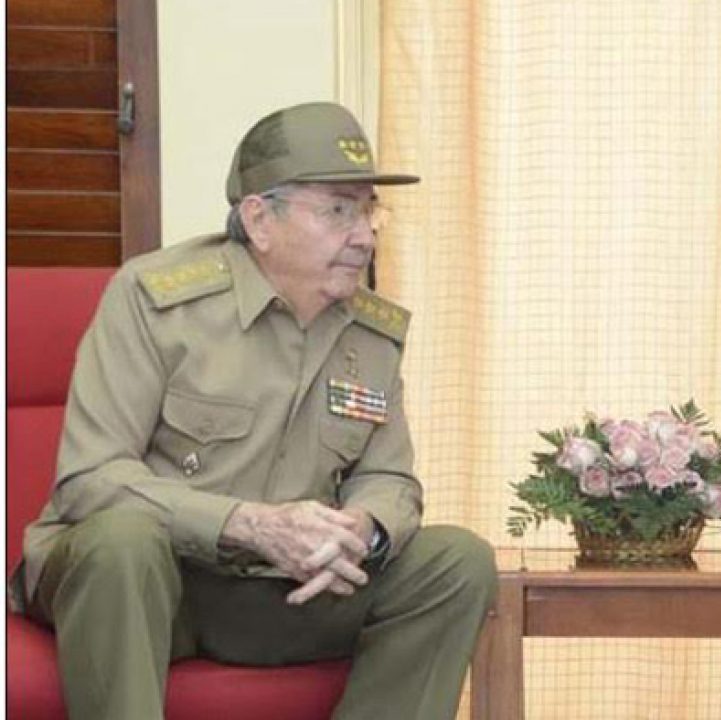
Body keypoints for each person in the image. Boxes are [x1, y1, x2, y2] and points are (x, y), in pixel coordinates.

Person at [8, 101, 498, 720]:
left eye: (368, 210)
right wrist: (249, 524)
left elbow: (390, 478)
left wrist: (364, 529)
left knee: (457, 561)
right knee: (120, 542)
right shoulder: (157, 302)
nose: (365, 236)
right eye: (338, 210)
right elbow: (91, 479)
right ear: (260, 219)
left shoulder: (372, 334)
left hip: (285, 590)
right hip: (155, 583)